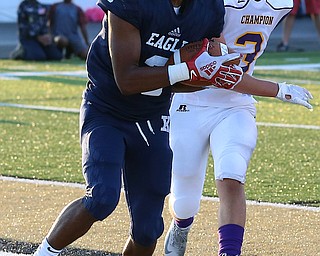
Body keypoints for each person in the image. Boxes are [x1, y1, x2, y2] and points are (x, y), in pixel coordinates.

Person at [33, 0, 312, 255]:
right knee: (102, 197)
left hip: (154, 116)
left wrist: (209, 70)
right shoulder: (131, 4)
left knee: (148, 230)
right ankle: (44, 252)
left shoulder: (210, 9)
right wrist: (188, 70)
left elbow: (197, 75)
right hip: (108, 110)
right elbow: (127, 81)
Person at [164, 0, 312, 256]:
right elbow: (223, 74)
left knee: (232, 174)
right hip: (192, 101)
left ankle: (229, 252)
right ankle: (181, 225)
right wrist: (280, 90)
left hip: (237, 106)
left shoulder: (279, 4)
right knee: (184, 202)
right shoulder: (215, 3)